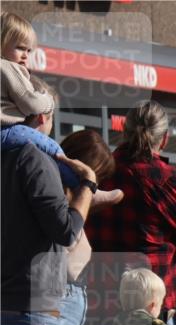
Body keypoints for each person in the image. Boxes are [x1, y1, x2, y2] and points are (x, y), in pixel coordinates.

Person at [87, 100, 176, 325]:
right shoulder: (161, 178)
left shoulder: (100, 169)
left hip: (100, 297)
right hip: (151, 301)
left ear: (124, 131)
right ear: (164, 139)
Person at [1, 13, 120, 201]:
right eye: (20, 48)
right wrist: (48, 101)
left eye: (29, 51)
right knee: (51, 147)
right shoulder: (8, 68)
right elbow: (31, 103)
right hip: (7, 131)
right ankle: (82, 187)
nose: (25, 55)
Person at [1, 97, 95, 325]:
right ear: (43, 117)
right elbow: (66, 231)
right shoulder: (34, 158)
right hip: (33, 306)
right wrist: (88, 185)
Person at [56, 129, 117, 325]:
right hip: (60, 297)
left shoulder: (72, 196)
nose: (96, 185)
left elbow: (117, 195)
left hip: (69, 296)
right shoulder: (57, 196)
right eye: (97, 176)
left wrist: (88, 190)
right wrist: (88, 184)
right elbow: (68, 238)